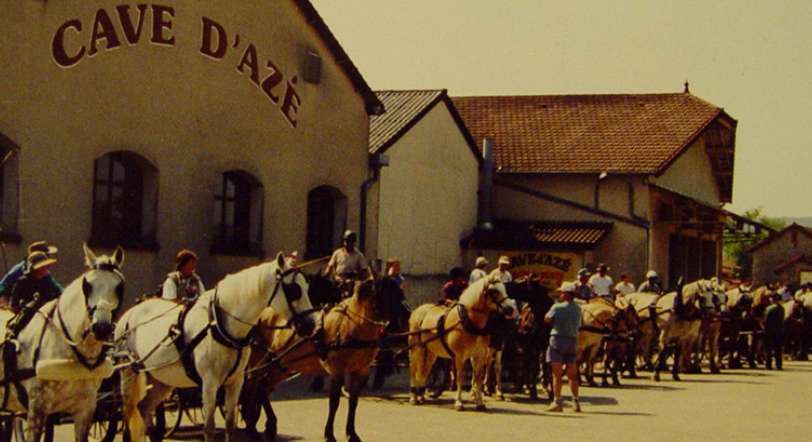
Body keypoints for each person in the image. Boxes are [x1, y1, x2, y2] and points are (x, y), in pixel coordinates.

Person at [3, 251, 64, 341]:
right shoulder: (22, 282)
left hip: (47, 312)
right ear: (34, 268)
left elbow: (58, 294)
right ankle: (12, 336)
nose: (45, 269)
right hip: (27, 314)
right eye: (42, 267)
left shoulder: (47, 280)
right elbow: (14, 305)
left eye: (45, 266)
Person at [544, 281, 583, 412]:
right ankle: (576, 401)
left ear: (565, 294)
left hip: (557, 339)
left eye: (561, 293)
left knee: (557, 374)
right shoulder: (578, 309)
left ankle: (557, 401)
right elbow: (579, 325)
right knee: (573, 375)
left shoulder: (557, 307)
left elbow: (547, 319)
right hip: (572, 340)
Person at [0, 241, 62, 307]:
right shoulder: (18, 271)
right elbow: (3, 286)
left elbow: (57, 288)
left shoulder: (45, 276)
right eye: (46, 255)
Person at [764, 293, 785, 370]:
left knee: (768, 349)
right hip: (779, 331)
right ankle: (778, 365)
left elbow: (766, 320)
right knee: (778, 349)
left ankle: (768, 365)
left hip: (769, 331)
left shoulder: (769, 308)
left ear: (772, 299)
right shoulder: (782, 308)